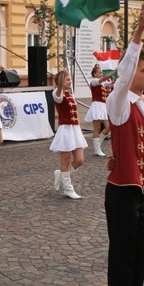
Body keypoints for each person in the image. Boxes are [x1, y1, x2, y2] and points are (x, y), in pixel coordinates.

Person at [105, 2, 144, 286]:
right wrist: (138, 32)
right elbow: (124, 73)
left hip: (141, 191)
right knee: (123, 258)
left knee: (140, 256)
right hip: (122, 193)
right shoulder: (119, 102)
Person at [50, 68, 87, 199]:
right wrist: (60, 81)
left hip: (75, 129)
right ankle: (67, 188)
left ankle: (60, 174)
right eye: (67, 79)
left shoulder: (70, 94)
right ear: (60, 82)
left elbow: (75, 111)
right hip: (65, 129)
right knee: (65, 161)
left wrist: (79, 127)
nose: (70, 82)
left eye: (70, 79)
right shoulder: (57, 93)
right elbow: (59, 96)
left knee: (80, 160)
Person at [84, 63, 116, 156]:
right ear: (94, 74)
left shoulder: (101, 83)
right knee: (97, 128)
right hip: (97, 106)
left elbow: (109, 82)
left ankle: (99, 143)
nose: (101, 74)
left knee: (108, 127)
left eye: (101, 72)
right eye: (99, 73)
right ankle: (97, 149)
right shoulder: (94, 81)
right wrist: (115, 71)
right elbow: (105, 79)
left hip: (102, 106)